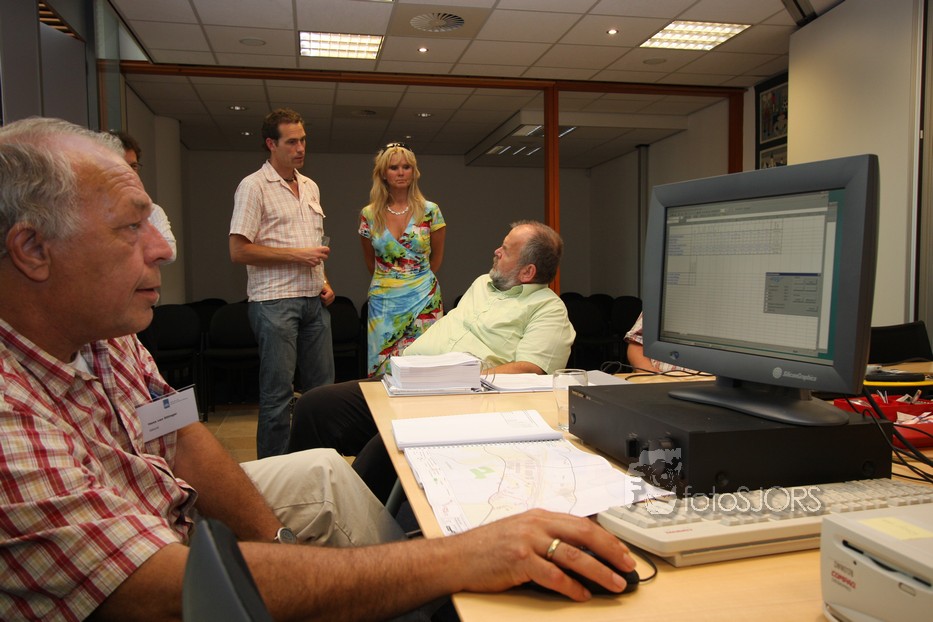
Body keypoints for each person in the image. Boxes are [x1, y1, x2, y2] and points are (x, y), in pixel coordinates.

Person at [0, 117, 637, 621]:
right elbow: (152, 587)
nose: (164, 246)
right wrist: (457, 559)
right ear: (32, 249)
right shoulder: (10, 412)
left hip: (167, 499)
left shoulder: (106, 338)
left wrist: (280, 547)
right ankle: (418, 590)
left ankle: (401, 591)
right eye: (129, 227)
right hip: (154, 550)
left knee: (328, 471)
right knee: (316, 412)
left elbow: (182, 436)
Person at [288, 220, 576, 496]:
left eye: (506, 250)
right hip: (405, 380)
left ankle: (348, 513)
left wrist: (456, 377)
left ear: (527, 272)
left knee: (384, 448)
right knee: (314, 406)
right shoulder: (482, 284)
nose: (496, 251)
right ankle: (297, 498)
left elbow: (531, 370)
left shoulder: (548, 309)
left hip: (451, 398)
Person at [229, 108, 335, 458]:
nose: (300, 148)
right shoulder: (253, 186)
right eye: (291, 142)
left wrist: (325, 281)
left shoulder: (310, 186)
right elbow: (238, 250)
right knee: (277, 397)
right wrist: (297, 256)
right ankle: (274, 474)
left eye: (303, 140)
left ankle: (318, 465)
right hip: (274, 303)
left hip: (313, 300)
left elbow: (313, 246)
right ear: (271, 144)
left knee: (323, 394)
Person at [360, 142, 446, 376]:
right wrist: (391, 283)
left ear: (414, 172)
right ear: (383, 174)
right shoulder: (369, 214)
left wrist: (415, 281)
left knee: (426, 364)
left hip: (424, 298)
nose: (400, 172)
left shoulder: (431, 211)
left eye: (406, 167)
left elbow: (437, 259)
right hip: (384, 301)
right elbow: (370, 262)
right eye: (394, 167)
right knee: (384, 368)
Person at [109, 130, 177, 262]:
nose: (130, 172)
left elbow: (170, 253)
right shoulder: (90, 210)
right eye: (122, 165)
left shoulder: (152, 210)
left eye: (133, 166)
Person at [624, 312, 693, 373]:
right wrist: (649, 373)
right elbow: (637, 343)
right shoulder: (658, 304)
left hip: (696, 380)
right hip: (655, 377)